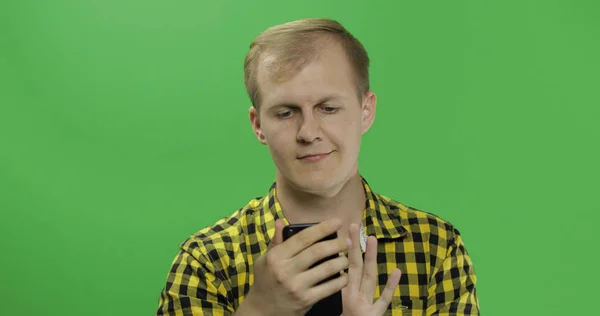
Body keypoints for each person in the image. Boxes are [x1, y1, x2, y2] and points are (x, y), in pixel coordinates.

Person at [156, 18, 479, 316]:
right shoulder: (207, 260)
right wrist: (259, 308)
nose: (308, 133)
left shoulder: (436, 246)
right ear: (258, 126)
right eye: (286, 112)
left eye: (328, 108)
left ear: (366, 111)